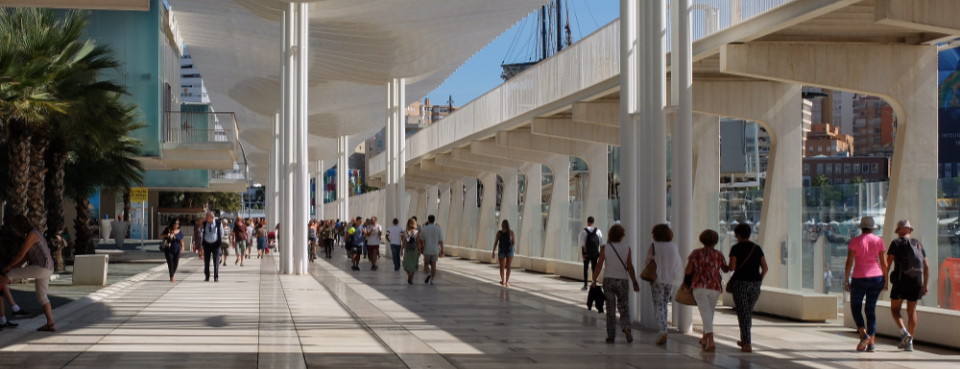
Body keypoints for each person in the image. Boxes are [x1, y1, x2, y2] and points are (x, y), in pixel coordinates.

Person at [0, 215, 56, 332]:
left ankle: (11, 310)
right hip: (47, 268)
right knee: (42, 296)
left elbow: (21, 255)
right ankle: (50, 324)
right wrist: (11, 267)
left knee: (12, 274)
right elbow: (25, 257)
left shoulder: (32, 235)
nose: (15, 231)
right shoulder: (34, 234)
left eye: (16, 228)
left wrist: (10, 267)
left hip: (42, 267)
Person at [590, 224, 640, 344]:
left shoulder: (604, 248)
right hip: (623, 281)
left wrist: (594, 279)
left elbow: (599, 264)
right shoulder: (627, 248)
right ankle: (626, 328)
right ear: (622, 236)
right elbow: (630, 267)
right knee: (624, 306)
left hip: (609, 280)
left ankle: (611, 335)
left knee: (610, 308)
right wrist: (634, 281)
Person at [844, 216, 887, 352]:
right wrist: (885, 280)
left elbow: (849, 262)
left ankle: (864, 334)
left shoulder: (855, 242)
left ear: (861, 228)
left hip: (859, 278)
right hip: (876, 278)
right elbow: (883, 263)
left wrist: (846, 280)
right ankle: (871, 344)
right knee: (870, 309)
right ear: (873, 228)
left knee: (855, 307)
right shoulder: (879, 241)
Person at [885, 219, 929, 352]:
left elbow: (887, 264)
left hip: (900, 281)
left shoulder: (896, 243)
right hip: (916, 281)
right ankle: (910, 342)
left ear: (898, 231)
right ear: (910, 230)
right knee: (912, 311)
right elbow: (926, 266)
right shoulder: (918, 244)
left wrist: (885, 281)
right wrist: (925, 285)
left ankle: (904, 333)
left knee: (894, 309)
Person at [685, 229, 729, 351]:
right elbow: (725, 269)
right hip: (714, 287)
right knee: (709, 313)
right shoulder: (719, 254)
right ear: (715, 241)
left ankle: (711, 341)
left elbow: (688, 271)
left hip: (699, 286)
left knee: (706, 314)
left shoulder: (695, 253)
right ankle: (705, 338)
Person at [727, 223, 768, 353]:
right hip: (755, 284)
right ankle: (744, 340)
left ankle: (747, 343)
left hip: (741, 283)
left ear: (738, 235)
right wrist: (759, 280)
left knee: (743, 313)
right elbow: (765, 268)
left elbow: (732, 267)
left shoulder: (736, 248)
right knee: (747, 312)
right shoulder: (756, 248)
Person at [645, 224, 684, 346]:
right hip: (670, 279)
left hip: (657, 278)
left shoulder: (654, 246)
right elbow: (677, 263)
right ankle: (664, 330)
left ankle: (662, 331)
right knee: (665, 304)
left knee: (658, 305)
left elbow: (648, 261)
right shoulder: (673, 246)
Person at [418, 215, 444, 285]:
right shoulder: (438, 229)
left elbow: (421, 240)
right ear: (434, 220)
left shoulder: (424, 229)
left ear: (428, 220)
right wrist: (442, 250)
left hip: (427, 249)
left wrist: (420, 248)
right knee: (434, 264)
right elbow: (441, 241)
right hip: (435, 249)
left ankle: (428, 273)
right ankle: (432, 279)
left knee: (426, 263)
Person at [580, 216, 603, 291]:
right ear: (593, 222)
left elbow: (582, 244)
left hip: (587, 253)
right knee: (594, 268)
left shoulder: (584, 231)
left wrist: (582, 254)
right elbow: (601, 243)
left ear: (588, 222)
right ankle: (594, 283)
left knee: (585, 268)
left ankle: (585, 285)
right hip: (595, 253)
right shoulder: (598, 231)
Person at [491, 220, 516, 287]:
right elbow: (513, 243)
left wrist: (493, 251)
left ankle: (502, 280)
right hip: (510, 251)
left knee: (502, 267)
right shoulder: (511, 233)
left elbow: (496, 242)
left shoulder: (499, 233)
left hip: (501, 251)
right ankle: (507, 281)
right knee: (509, 267)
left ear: (502, 225)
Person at [200, 212, 223, 282]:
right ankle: (207, 276)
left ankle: (216, 277)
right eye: (206, 217)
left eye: (207, 217)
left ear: (212, 218)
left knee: (216, 261)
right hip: (207, 244)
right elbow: (202, 232)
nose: (206, 218)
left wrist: (218, 240)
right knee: (206, 261)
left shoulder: (218, 223)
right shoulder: (204, 223)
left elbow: (222, 232)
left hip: (215, 244)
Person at [402, 218, 421, 284]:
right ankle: (411, 277)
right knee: (414, 264)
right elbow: (418, 242)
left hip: (407, 249)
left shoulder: (405, 232)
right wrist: (419, 250)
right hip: (414, 249)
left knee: (406, 264)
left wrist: (401, 250)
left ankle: (409, 275)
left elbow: (403, 242)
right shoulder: (417, 232)